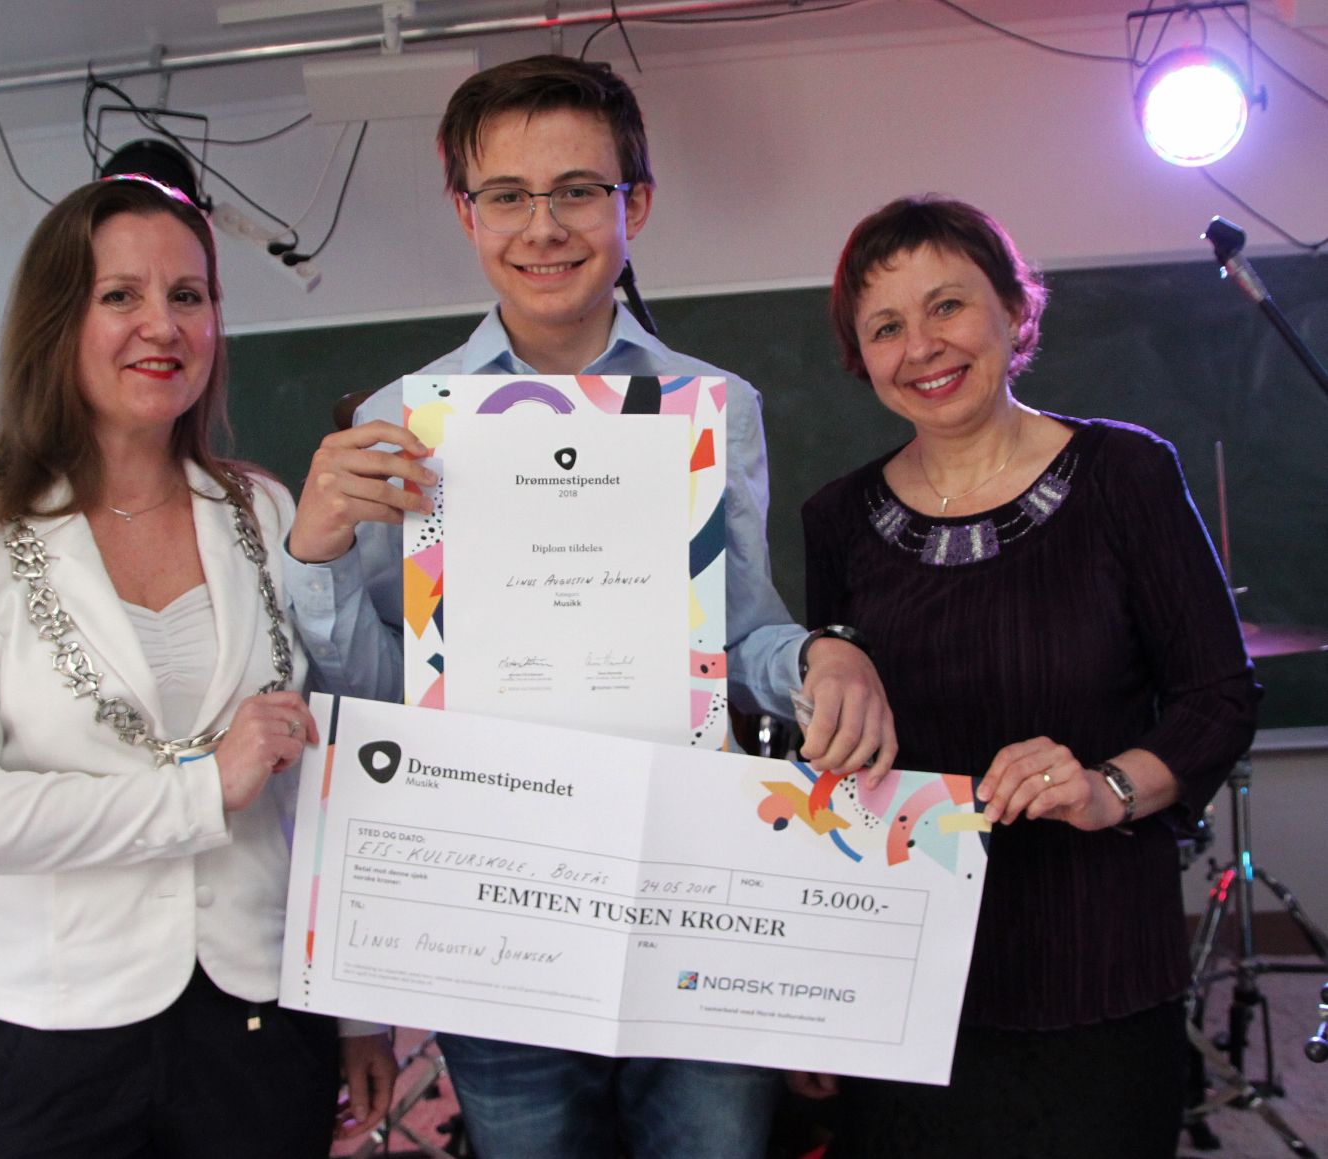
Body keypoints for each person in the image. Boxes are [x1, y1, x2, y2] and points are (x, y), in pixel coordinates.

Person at [284, 54, 893, 1159]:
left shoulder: (714, 407)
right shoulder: (402, 421)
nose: (543, 226)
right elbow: (381, 694)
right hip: (495, 902)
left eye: (577, 190)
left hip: (687, 881)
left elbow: (735, 634)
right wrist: (315, 555)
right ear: (465, 212)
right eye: (506, 195)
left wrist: (818, 658)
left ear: (635, 204)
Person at [0, 175, 396, 1159]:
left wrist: (355, 1009)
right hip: (52, 1031)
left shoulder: (264, 512)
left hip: (261, 1022)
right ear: (56, 321)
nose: (161, 326)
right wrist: (201, 790)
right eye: (119, 294)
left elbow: (321, 777)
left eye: (188, 295)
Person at [795, 194, 1260, 1158]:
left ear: (1015, 309)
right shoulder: (836, 521)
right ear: (861, 357)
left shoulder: (1126, 473)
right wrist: (814, 986)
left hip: (1096, 964)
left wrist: (1106, 787)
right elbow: (832, 770)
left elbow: (1219, 698)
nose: (922, 346)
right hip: (906, 976)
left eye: (948, 305)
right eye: (885, 327)